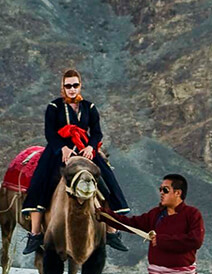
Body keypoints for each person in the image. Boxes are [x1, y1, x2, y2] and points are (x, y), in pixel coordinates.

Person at [21, 69, 131, 254]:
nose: (72, 89)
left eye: (75, 85)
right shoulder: (54, 107)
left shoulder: (90, 107)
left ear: (80, 86)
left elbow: (96, 132)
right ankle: (35, 234)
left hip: (85, 149)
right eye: (68, 86)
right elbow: (49, 132)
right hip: (59, 150)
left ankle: (112, 232)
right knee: (40, 182)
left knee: (108, 182)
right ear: (62, 87)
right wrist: (62, 148)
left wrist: (91, 147)